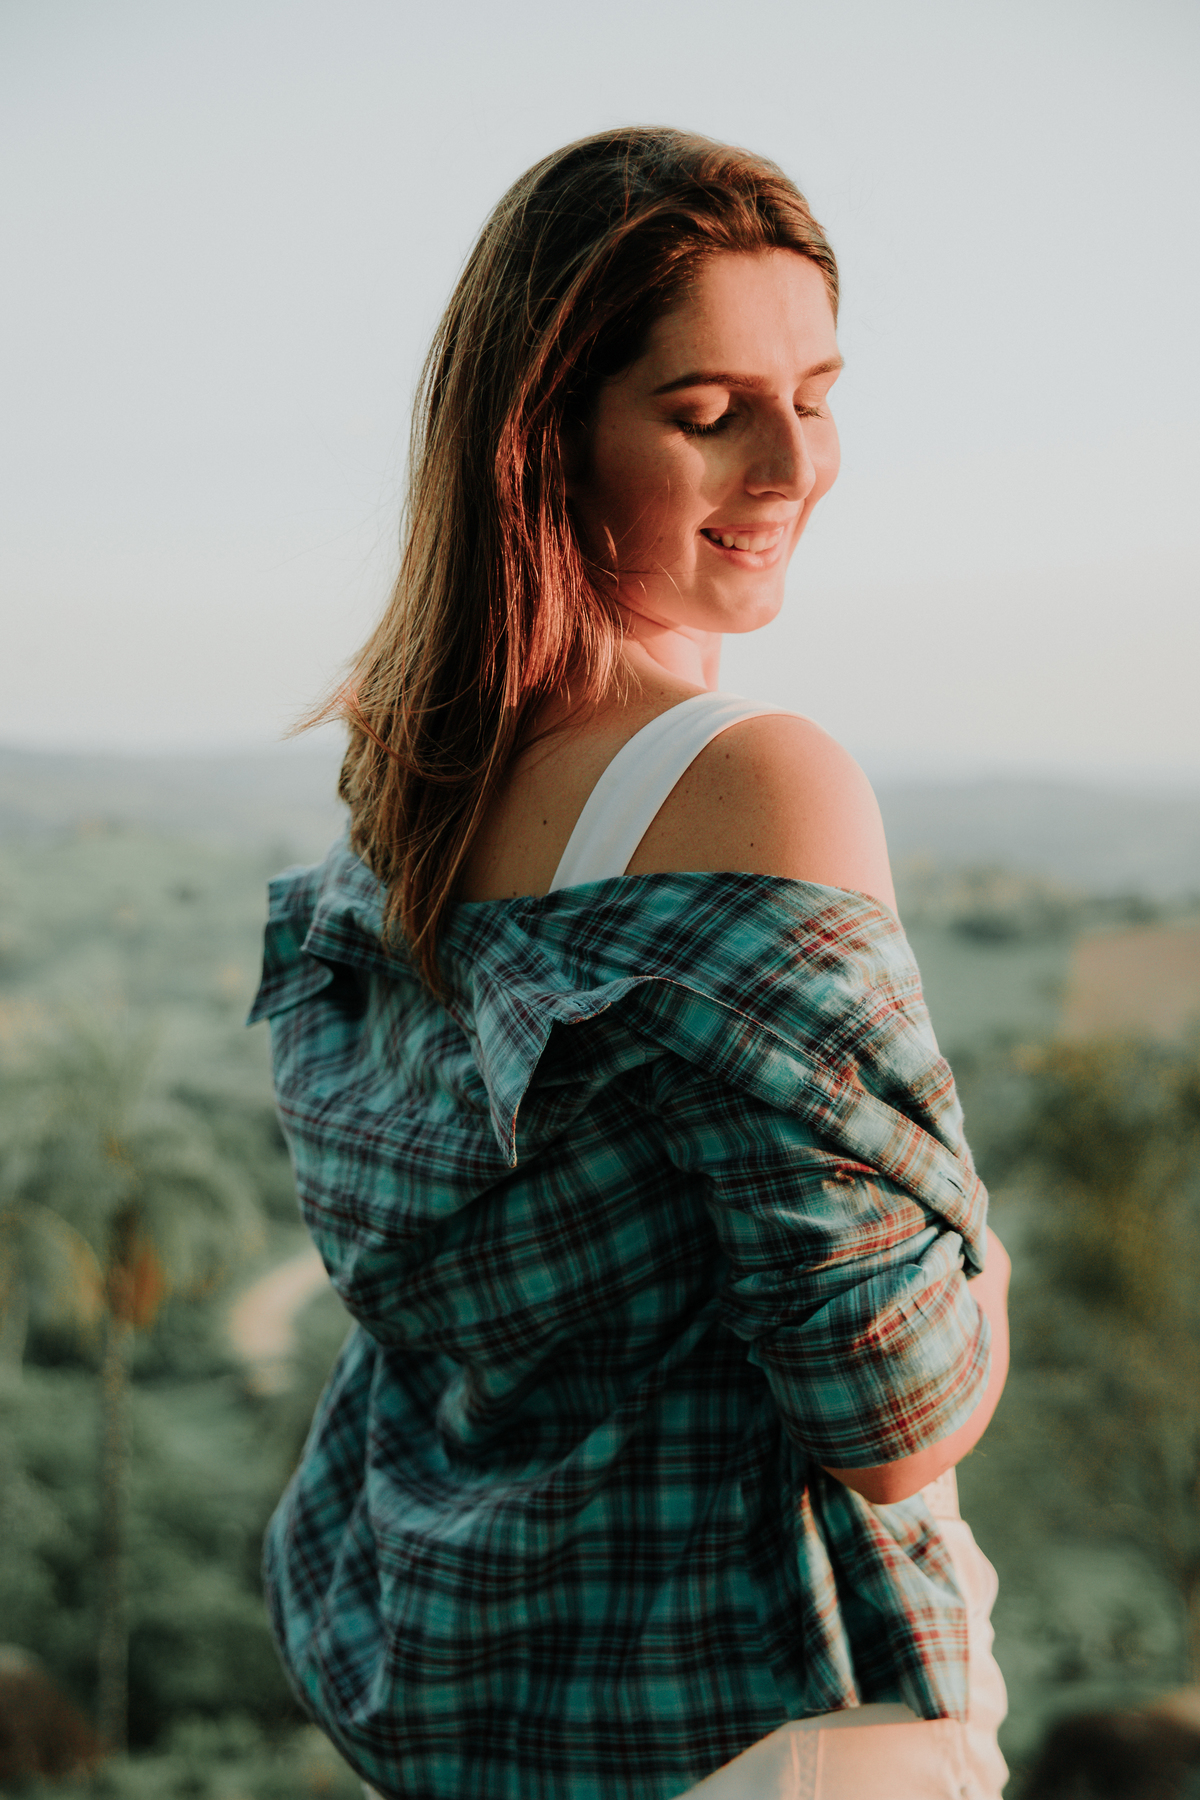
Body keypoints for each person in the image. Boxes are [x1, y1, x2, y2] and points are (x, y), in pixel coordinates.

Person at [250, 127, 1012, 1800]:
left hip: (501, 1716)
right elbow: (896, 1423)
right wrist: (991, 1285)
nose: (793, 462)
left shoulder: (399, 797)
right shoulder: (756, 781)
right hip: (781, 1724)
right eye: (707, 410)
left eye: (817, 390)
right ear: (543, 441)